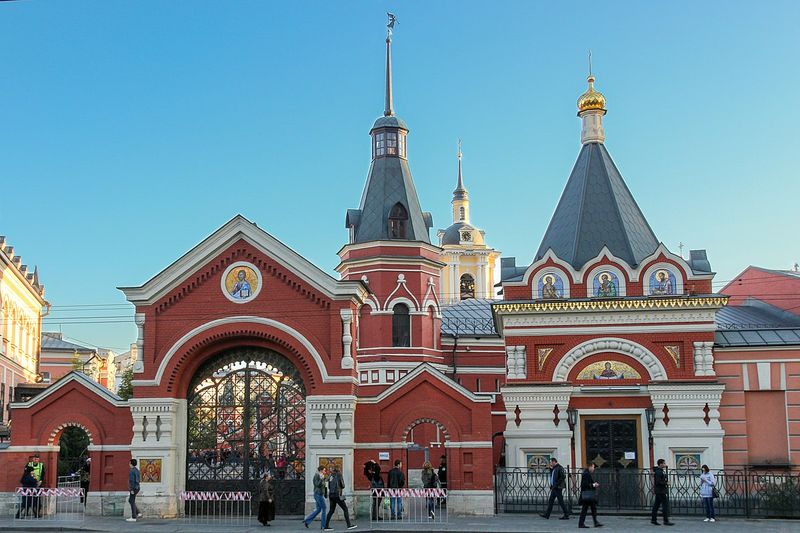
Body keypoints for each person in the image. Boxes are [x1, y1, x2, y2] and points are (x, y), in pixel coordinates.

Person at [323, 466, 357, 531]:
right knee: (345, 509)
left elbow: (329, 486)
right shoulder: (339, 475)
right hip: (337, 495)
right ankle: (349, 525)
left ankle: (326, 526)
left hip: (331, 495)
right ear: (339, 470)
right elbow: (343, 485)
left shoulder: (330, 476)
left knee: (331, 510)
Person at [578, 462, 603, 529]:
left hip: (588, 495)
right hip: (587, 495)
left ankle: (595, 522)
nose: (594, 469)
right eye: (593, 467)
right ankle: (581, 524)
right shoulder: (586, 474)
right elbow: (584, 484)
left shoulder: (587, 473)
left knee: (593, 508)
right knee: (585, 509)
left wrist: (593, 484)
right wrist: (593, 485)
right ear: (590, 467)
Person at [651, 458, 675, 526]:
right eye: (664, 463)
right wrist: (666, 483)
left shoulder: (659, 471)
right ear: (660, 464)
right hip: (661, 491)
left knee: (656, 505)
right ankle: (665, 520)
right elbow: (658, 482)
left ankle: (653, 519)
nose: (665, 464)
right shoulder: (659, 472)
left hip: (659, 490)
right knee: (665, 505)